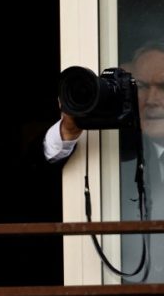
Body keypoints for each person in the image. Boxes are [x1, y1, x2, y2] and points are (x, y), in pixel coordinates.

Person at [42, 40, 164, 282]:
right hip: (122, 292)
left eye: (163, 87)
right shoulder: (116, 151)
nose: (152, 99)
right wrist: (69, 128)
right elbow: (34, 179)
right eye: (141, 86)